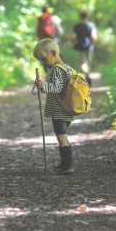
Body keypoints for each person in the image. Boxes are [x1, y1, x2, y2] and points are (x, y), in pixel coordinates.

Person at [33, 38, 74, 174]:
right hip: (67, 108)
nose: (44, 63)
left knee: (61, 137)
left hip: (59, 110)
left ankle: (67, 165)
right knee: (62, 136)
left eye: (44, 59)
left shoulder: (57, 70)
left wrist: (43, 86)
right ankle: (65, 164)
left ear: (53, 53)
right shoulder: (67, 68)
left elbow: (56, 87)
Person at [73, 11, 97, 80]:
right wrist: (93, 43)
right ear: (87, 17)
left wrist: (74, 43)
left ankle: (86, 74)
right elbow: (93, 36)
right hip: (89, 46)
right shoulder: (91, 25)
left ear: (80, 17)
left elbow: (73, 37)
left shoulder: (77, 26)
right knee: (89, 61)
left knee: (82, 62)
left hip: (80, 46)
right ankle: (88, 74)